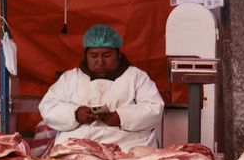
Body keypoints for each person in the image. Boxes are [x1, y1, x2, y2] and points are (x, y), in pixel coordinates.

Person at [38, 24, 164, 152]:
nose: (100, 62)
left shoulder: (137, 77)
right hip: (78, 147)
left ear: (118, 54)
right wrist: (75, 114)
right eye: (93, 56)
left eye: (106, 55)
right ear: (85, 56)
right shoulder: (70, 78)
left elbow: (154, 108)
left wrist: (122, 117)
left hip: (127, 145)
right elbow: (48, 107)